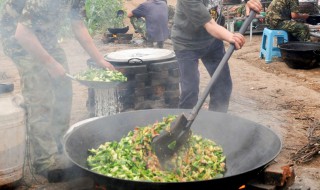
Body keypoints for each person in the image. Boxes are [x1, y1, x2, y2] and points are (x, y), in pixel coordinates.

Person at [0, 0, 115, 183]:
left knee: (63, 90)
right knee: (40, 97)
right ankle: (44, 161)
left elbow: (78, 26)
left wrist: (100, 60)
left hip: (45, 38)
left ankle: (59, 146)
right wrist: (50, 63)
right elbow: (22, 34)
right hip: (19, 41)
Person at [171, 0, 262, 112]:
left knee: (223, 84)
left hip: (212, 41)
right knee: (190, 89)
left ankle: (217, 121)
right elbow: (210, 24)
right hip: (186, 44)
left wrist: (249, 2)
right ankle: (183, 124)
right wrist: (231, 36)